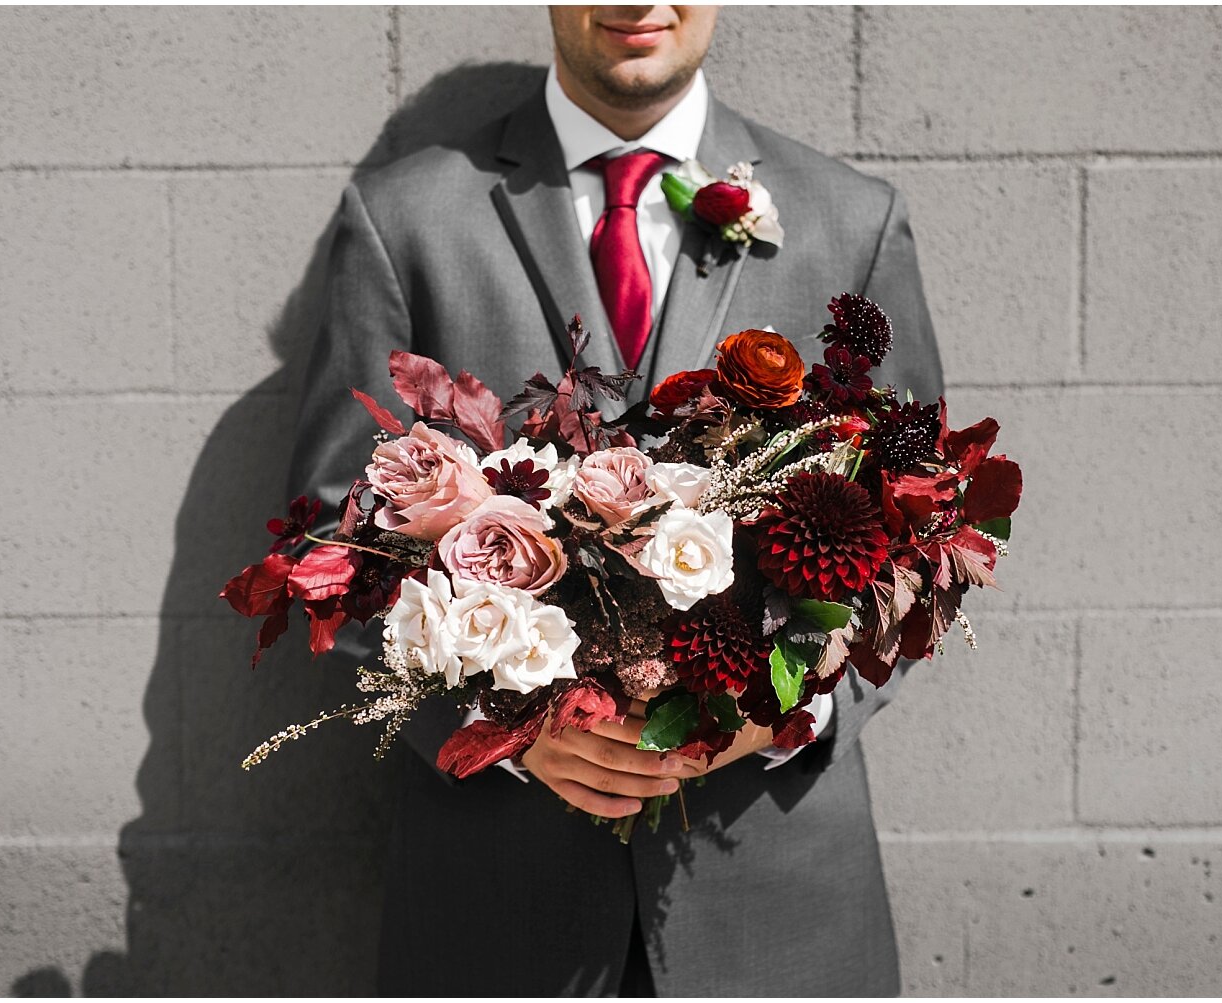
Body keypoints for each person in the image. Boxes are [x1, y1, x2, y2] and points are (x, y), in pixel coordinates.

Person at [289, 5, 943, 995]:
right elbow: (328, 532)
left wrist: (785, 707)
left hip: (774, 906)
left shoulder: (852, 220)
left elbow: (924, 531)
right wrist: (500, 730)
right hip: (499, 913)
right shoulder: (404, 218)